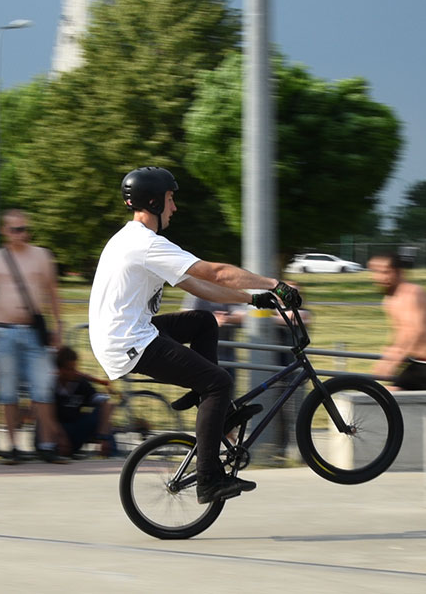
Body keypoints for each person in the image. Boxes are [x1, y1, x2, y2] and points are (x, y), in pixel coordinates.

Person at [88, 166, 301, 505]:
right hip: (128, 342)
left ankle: (212, 407)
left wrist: (252, 299)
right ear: (155, 202)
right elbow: (216, 272)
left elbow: (198, 285)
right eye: (171, 199)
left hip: (128, 332)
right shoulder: (146, 244)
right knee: (218, 382)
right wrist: (273, 284)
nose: (174, 207)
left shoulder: (131, 239)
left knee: (203, 322)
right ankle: (208, 479)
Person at [0, 209, 66, 464]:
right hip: (4, 332)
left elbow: (53, 293)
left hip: (34, 334)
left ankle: (47, 446)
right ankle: (12, 446)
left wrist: (59, 327)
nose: (20, 234)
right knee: (8, 391)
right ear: (4, 231)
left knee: (42, 389)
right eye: (15, 229)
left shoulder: (41, 256)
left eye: (24, 229)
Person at [369, 252, 426, 390]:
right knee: (385, 397)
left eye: (385, 272)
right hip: (415, 363)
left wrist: (393, 361)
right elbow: (399, 334)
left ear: (399, 272)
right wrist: (387, 358)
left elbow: (415, 331)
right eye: (375, 272)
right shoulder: (389, 300)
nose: (379, 277)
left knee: (389, 396)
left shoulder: (413, 293)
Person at [47, 346, 115, 458]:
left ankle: (110, 454)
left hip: (75, 429)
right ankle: (49, 451)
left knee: (102, 413)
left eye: (74, 368)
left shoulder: (80, 383)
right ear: (60, 370)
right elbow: (48, 417)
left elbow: (106, 404)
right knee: (45, 420)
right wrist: (61, 436)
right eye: (69, 369)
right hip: (56, 431)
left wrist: (103, 436)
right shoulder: (51, 386)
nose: (73, 373)